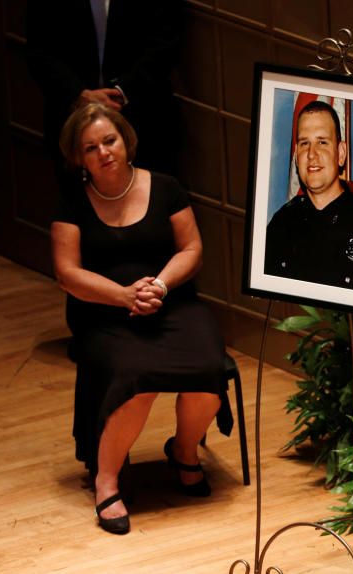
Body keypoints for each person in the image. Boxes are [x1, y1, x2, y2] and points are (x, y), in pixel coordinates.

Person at [52, 103, 232, 534]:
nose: (103, 152)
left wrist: (159, 287)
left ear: (125, 141)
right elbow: (67, 273)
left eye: (109, 141)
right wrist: (124, 295)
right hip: (104, 314)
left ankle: (184, 452)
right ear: (80, 158)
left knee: (208, 370)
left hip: (172, 302)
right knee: (137, 377)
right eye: (90, 147)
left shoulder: (166, 187)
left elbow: (191, 249)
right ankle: (107, 479)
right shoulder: (72, 201)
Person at [26, 0, 182, 175]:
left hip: (146, 120)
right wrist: (79, 94)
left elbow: (166, 42)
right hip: (72, 123)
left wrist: (122, 92)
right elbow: (39, 50)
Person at [264, 100, 353, 291]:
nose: (311, 154)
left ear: (341, 153)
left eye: (322, 142)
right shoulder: (281, 224)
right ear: (296, 157)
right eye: (304, 143)